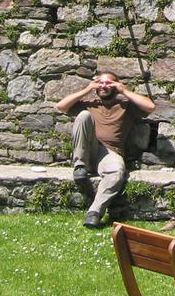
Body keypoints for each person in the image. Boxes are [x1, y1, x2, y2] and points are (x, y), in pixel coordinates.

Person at [54, 71, 155, 228]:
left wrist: (124, 90)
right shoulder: (89, 104)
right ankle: (80, 165)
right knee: (83, 116)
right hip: (89, 148)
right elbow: (60, 106)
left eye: (109, 83)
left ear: (116, 85)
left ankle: (94, 213)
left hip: (110, 153)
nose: (104, 85)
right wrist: (87, 89)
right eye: (100, 82)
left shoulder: (125, 106)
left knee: (117, 172)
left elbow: (150, 106)